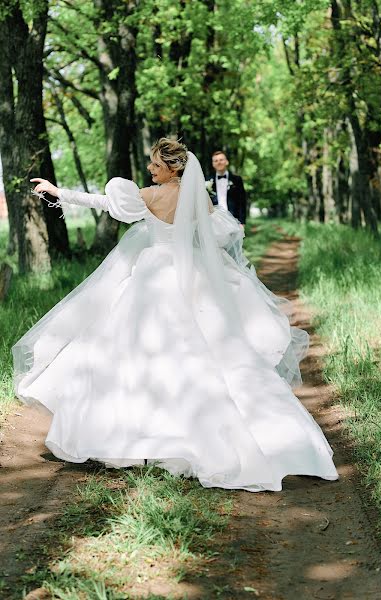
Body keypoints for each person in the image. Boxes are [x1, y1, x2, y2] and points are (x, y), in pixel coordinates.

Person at [13, 138, 338, 492]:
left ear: (173, 168)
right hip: (191, 275)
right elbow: (223, 232)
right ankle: (278, 438)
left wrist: (57, 191)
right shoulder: (199, 197)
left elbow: (104, 203)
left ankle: (140, 436)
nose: (151, 170)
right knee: (211, 353)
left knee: (131, 352)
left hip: (152, 277)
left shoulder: (150, 196)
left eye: (155, 165)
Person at [207, 150, 247, 224]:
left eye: (221, 160)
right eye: (216, 161)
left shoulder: (237, 180)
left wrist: (242, 222)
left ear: (227, 162)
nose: (219, 162)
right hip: (214, 221)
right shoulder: (207, 181)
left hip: (234, 220)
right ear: (213, 164)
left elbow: (242, 202)